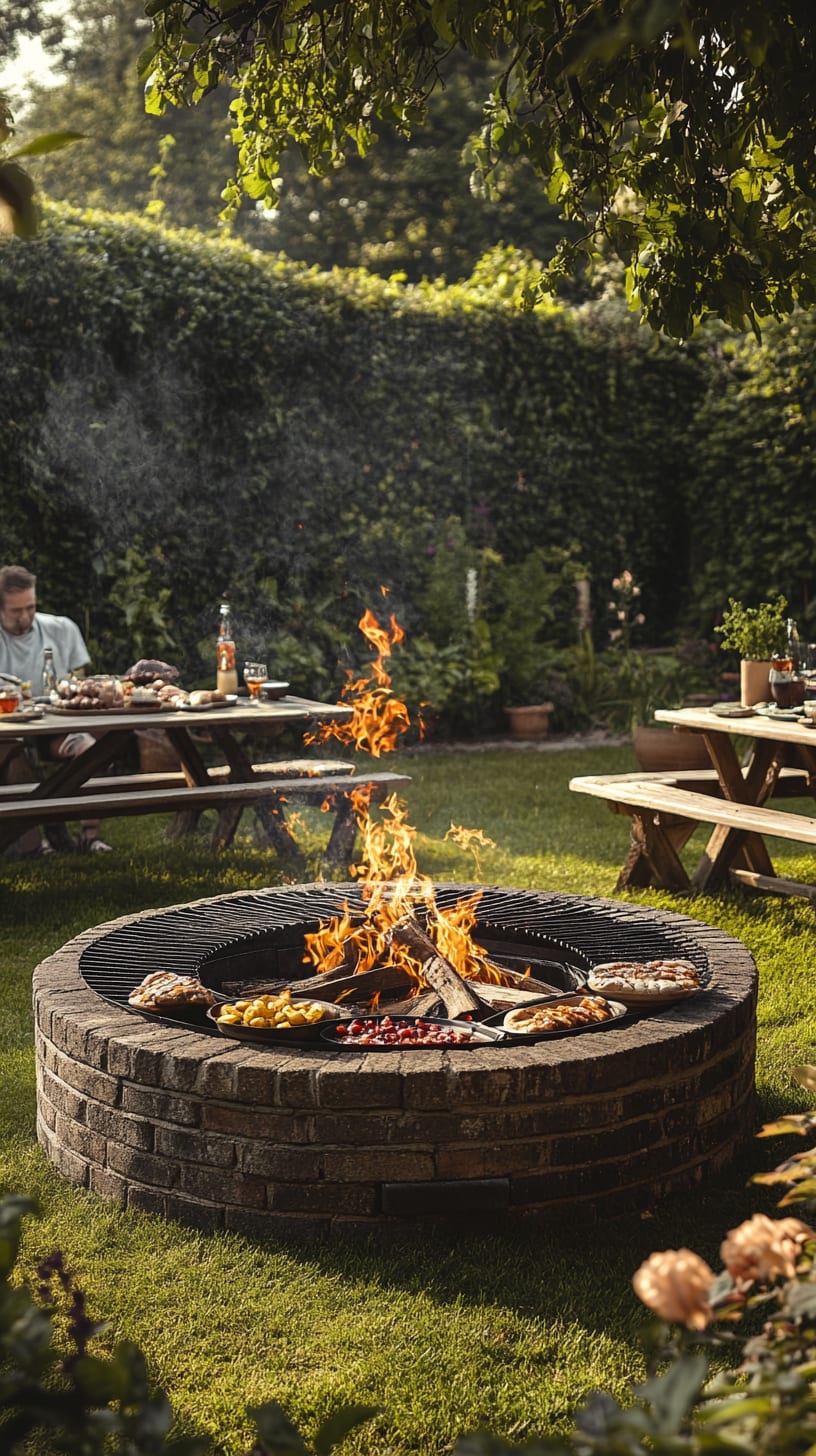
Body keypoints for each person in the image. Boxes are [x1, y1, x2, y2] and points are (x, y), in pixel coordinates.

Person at [0, 564, 112, 854]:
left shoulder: (60, 629)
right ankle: (35, 840)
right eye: (16, 611)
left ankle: (89, 836)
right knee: (14, 755)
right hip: (8, 734)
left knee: (90, 749)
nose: (25, 617)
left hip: (55, 727)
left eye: (31, 607)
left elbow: (79, 686)